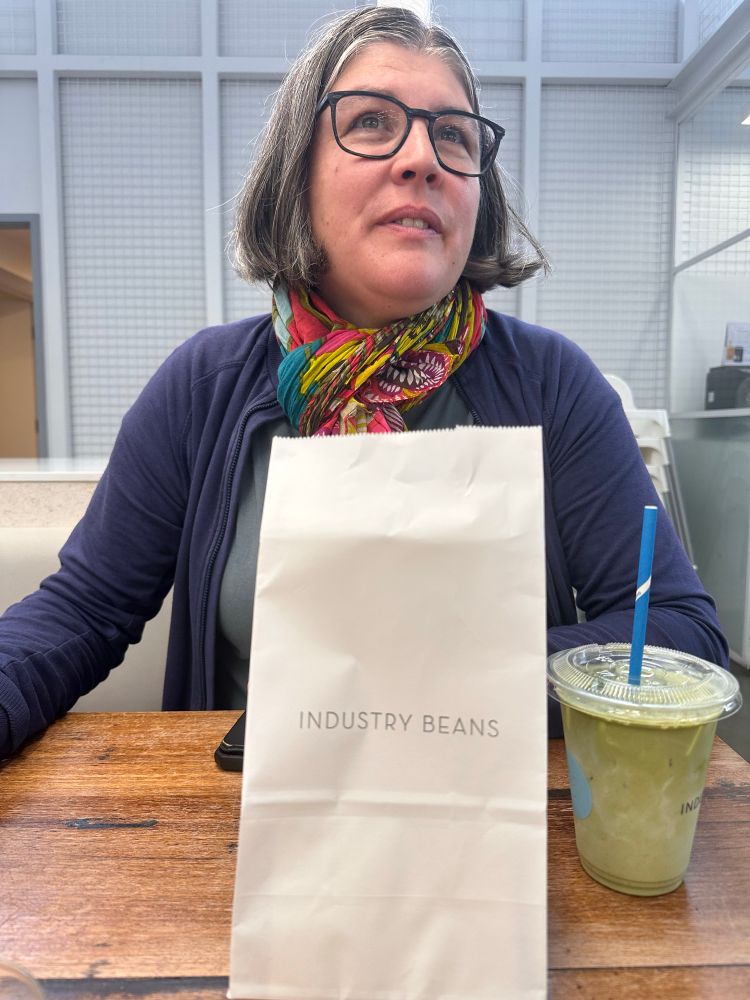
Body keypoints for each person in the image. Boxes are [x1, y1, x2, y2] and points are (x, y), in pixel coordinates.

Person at [0, 6, 727, 757]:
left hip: (489, 817)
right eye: (373, 122)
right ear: (298, 174)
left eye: (454, 134)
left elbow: (677, 633)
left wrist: (416, 686)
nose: (423, 158)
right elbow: (85, 611)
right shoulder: (203, 387)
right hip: (246, 831)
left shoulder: (553, 385)